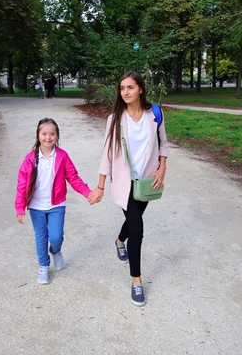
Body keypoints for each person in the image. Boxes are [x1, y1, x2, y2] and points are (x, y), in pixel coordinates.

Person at [89, 71, 168, 307]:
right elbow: (106, 153)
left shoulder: (154, 114)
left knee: (134, 221)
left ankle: (119, 241)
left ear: (140, 89)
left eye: (130, 87)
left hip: (147, 182)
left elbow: (163, 143)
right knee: (138, 230)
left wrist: (162, 169)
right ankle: (136, 280)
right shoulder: (114, 120)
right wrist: (101, 185)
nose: (125, 92)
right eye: (122, 88)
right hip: (124, 182)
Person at [15, 118, 93, 285]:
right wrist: (20, 207)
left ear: (57, 136)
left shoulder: (62, 156)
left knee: (56, 236)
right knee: (41, 237)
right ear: (38, 135)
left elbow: (73, 178)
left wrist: (88, 193)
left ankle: (56, 252)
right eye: (44, 134)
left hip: (57, 204)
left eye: (52, 134)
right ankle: (43, 266)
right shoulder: (30, 159)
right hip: (36, 207)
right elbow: (22, 185)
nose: (48, 137)